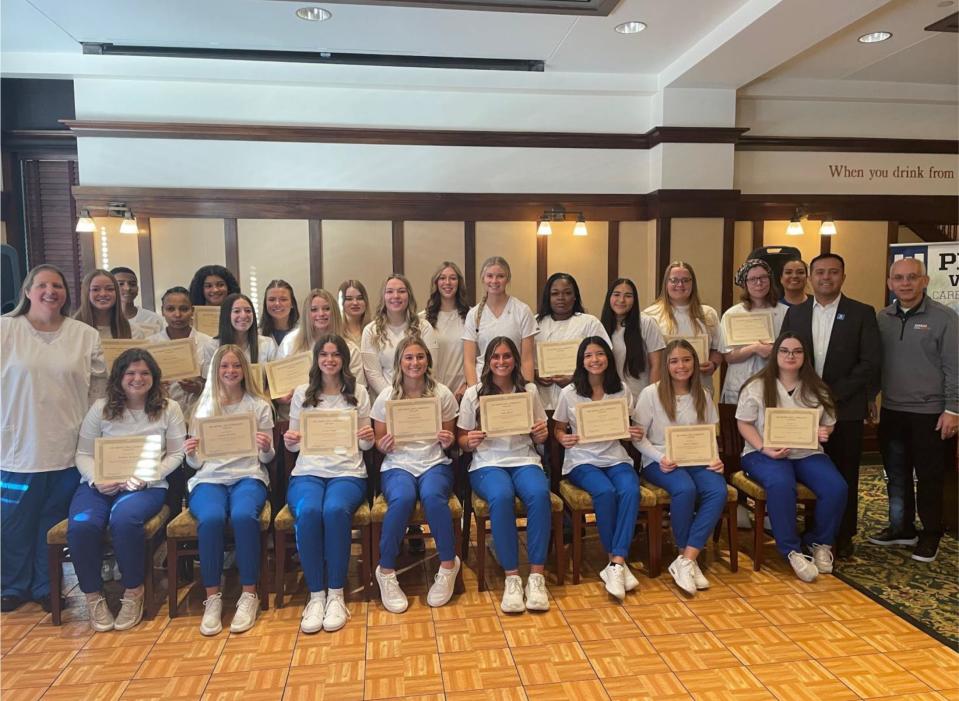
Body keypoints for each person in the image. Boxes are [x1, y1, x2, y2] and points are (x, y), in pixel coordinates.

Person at [1, 265, 106, 613]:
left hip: (68, 445)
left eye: (57, 286)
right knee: (14, 522)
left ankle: (48, 586)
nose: (51, 291)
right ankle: (13, 586)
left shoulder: (84, 335)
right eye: (42, 285)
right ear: (28, 291)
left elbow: (98, 390)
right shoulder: (6, 330)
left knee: (52, 520)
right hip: (17, 446)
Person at [68, 348, 185, 632]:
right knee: (82, 526)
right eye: (130, 372)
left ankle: (133, 591)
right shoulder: (101, 407)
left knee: (124, 520)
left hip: (146, 485)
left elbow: (177, 453)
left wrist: (147, 475)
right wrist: (97, 479)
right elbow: (83, 454)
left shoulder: (169, 408)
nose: (137, 378)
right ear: (119, 376)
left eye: (144, 373)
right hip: (100, 484)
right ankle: (94, 596)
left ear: (154, 377)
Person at [781, 253, 880, 558]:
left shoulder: (862, 312)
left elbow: (869, 362)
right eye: (820, 272)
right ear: (811, 277)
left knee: (845, 472)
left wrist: (831, 395)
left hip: (846, 408)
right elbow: (784, 356)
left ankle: (843, 535)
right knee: (809, 470)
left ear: (843, 276)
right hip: (801, 410)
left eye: (833, 272)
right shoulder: (795, 314)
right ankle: (812, 532)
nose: (826, 278)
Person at [736, 333, 847, 581]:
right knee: (781, 484)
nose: (790, 356)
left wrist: (824, 432)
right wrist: (765, 448)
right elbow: (744, 423)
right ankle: (791, 549)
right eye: (784, 351)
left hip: (807, 453)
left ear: (805, 357)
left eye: (797, 351)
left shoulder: (818, 389)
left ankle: (819, 543)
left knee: (836, 487)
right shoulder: (756, 386)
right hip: (762, 453)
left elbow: (828, 424)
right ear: (775, 355)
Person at [284, 333, 374, 633]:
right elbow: (294, 447)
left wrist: (367, 439)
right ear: (316, 359)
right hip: (308, 472)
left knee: (334, 510)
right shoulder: (302, 393)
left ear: (344, 360)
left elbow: (365, 447)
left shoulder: (358, 392)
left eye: (336, 355)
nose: (330, 360)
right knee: (309, 511)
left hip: (347, 472)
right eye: (324, 355)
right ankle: (316, 594)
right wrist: (290, 440)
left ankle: (336, 594)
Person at [870, 258, 958, 562]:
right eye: (898, 278)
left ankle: (930, 533)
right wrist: (871, 397)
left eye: (911, 277)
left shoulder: (945, 318)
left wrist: (953, 410)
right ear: (890, 283)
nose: (905, 283)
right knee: (896, 475)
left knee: (930, 476)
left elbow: (955, 368)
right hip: (893, 410)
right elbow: (876, 365)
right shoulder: (882, 318)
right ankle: (901, 528)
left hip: (931, 414)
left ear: (925, 281)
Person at [185, 344, 275, 635]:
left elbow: (267, 458)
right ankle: (213, 598)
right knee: (210, 519)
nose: (231, 371)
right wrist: (190, 452)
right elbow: (196, 461)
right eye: (225, 366)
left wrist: (265, 448)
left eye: (236, 366)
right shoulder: (203, 408)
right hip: (210, 479)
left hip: (248, 476)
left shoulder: (259, 406)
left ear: (244, 370)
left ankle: (249, 593)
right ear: (216, 370)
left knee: (243, 516)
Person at [457, 337, 551, 613]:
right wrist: (468, 441)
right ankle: (512, 578)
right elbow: (461, 439)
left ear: (515, 360)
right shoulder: (474, 394)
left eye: (507, 356)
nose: (501, 362)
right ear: (487, 362)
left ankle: (536, 576)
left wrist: (541, 435)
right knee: (501, 496)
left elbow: (540, 433)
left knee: (539, 494)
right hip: (487, 463)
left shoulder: (529, 391)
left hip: (524, 458)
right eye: (495, 357)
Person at [371, 337, 461, 612]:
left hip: (434, 462)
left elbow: (452, 438)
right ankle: (386, 571)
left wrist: (448, 439)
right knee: (402, 498)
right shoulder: (386, 396)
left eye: (420, 357)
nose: (415, 363)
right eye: (409, 357)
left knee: (434, 497)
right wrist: (382, 444)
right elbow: (378, 440)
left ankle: (448, 565)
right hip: (398, 464)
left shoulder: (442, 393)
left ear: (428, 361)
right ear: (399, 362)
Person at [552, 337, 644, 600]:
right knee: (604, 492)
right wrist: (562, 438)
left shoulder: (622, 389)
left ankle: (616, 562)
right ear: (581, 361)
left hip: (616, 458)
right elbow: (558, 428)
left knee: (630, 490)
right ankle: (615, 561)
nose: (595, 360)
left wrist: (632, 432)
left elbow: (626, 429)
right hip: (582, 461)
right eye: (589, 355)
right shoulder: (569, 392)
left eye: (600, 354)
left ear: (609, 358)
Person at [634, 340, 727, 596]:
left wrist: (716, 459)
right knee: (685, 489)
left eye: (686, 360)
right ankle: (683, 554)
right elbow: (637, 436)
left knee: (718, 491)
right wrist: (659, 456)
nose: (681, 366)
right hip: (659, 462)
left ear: (695, 363)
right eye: (674, 361)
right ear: (666, 365)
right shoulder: (651, 394)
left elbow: (710, 435)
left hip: (697, 460)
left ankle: (687, 558)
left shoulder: (704, 395)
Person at [534, 272, 609, 412]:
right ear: (548, 297)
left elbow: (605, 359)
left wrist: (576, 377)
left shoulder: (589, 322)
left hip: (581, 397)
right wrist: (534, 373)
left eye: (567, 293)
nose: (561, 298)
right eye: (555, 293)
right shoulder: (535, 323)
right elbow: (523, 357)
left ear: (575, 296)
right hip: (542, 397)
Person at [643, 261, 723, 391]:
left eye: (685, 280)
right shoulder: (649, 315)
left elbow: (718, 348)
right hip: (664, 388)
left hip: (700, 387)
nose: (680, 285)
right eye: (674, 280)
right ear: (666, 284)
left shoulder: (708, 314)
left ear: (693, 284)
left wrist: (713, 364)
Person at [719, 259, 787, 403]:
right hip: (739, 384)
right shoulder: (732, 315)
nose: (759, 283)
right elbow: (729, 357)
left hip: (775, 384)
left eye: (763, 277)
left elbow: (792, 350)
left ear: (770, 280)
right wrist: (755, 348)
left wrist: (773, 350)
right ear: (745, 284)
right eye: (753, 279)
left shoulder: (785, 313)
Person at [462, 256, 538, 386]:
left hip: (515, 384)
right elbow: (469, 361)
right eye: (489, 276)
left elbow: (527, 360)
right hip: (483, 384)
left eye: (500, 276)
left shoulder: (522, 311)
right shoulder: (473, 314)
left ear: (507, 279)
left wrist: (527, 390)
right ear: (483, 278)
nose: (494, 281)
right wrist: (474, 392)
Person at [360, 274, 438, 397]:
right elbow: (373, 375)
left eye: (401, 291)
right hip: (386, 400)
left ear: (409, 296)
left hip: (421, 397)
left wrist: (413, 396)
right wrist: (395, 397)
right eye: (390, 291)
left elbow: (430, 367)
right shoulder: (371, 331)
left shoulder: (424, 327)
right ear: (383, 297)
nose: (395, 296)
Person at [146, 286, 210, 422]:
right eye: (170, 309)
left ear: (192, 311)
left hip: (199, 414)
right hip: (162, 415)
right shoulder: (151, 345)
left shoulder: (208, 343)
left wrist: (198, 388)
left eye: (184, 309)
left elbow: (217, 385)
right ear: (162, 311)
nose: (177, 315)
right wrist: (155, 387)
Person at [278, 289, 364, 384]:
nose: (321, 314)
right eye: (314, 309)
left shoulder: (350, 349)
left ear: (334, 312)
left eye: (327, 308)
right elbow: (279, 383)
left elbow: (358, 388)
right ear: (307, 314)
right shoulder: (290, 343)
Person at [600, 277, 664, 398]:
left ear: (635, 300)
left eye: (628, 296)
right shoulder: (600, 327)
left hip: (640, 397)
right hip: (611, 400)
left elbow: (657, 365)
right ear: (609, 297)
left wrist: (653, 398)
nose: (621, 300)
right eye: (616, 294)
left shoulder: (647, 323)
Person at [421, 261, 469, 402]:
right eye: (442, 278)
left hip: (463, 392)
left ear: (459, 283)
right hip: (431, 393)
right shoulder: (422, 319)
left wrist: (468, 385)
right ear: (436, 283)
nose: (447, 282)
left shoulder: (472, 316)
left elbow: (478, 357)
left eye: (453, 278)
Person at [200, 293, 277, 377]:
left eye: (248, 311)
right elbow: (210, 381)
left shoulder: (267, 344)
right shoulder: (212, 346)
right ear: (226, 315)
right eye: (237, 311)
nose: (243, 315)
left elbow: (274, 380)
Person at [74, 268, 143, 340]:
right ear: (86, 293)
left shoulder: (133, 332)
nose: (103, 294)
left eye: (109, 289)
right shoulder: (71, 329)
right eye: (95, 289)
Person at [111, 267, 164, 336]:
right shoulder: (104, 320)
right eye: (120, 284)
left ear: (138, 288)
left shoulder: (153, 319)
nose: (127, 288)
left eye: (132, 284)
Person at [259, 279, 299, 347]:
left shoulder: (302, 333)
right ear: (265, 304)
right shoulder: (258, 335)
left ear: (292, 303)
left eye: (283, 299)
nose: (277, 304)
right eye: (272, 299)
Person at [338, 279, 370, 347]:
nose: (355, 303)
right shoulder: (336, 330)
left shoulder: (374, 330)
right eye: (349, 299)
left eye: (360, 298)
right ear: (341, 302)